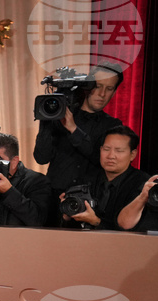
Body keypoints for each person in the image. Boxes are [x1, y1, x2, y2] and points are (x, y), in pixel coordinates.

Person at [34, 63, 124, 226]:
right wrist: (47, 121)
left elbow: (101, 159)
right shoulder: (57, 114)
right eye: (98, 86)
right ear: (87, 85)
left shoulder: (113, 126)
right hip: (53, 202)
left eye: (109, 88)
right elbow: (41, 157)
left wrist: (73, 129)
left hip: (90, 203)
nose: (102, 94)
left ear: (115, 91)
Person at [62, 126, 148, 231]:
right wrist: (67, 214)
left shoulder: (142, 184)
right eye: (106, 149)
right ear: (100, 150)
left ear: (133, 154)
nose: (111, 156)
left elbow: (133, 229)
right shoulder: (87, 178)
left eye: (119, 151)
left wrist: (96, 221)